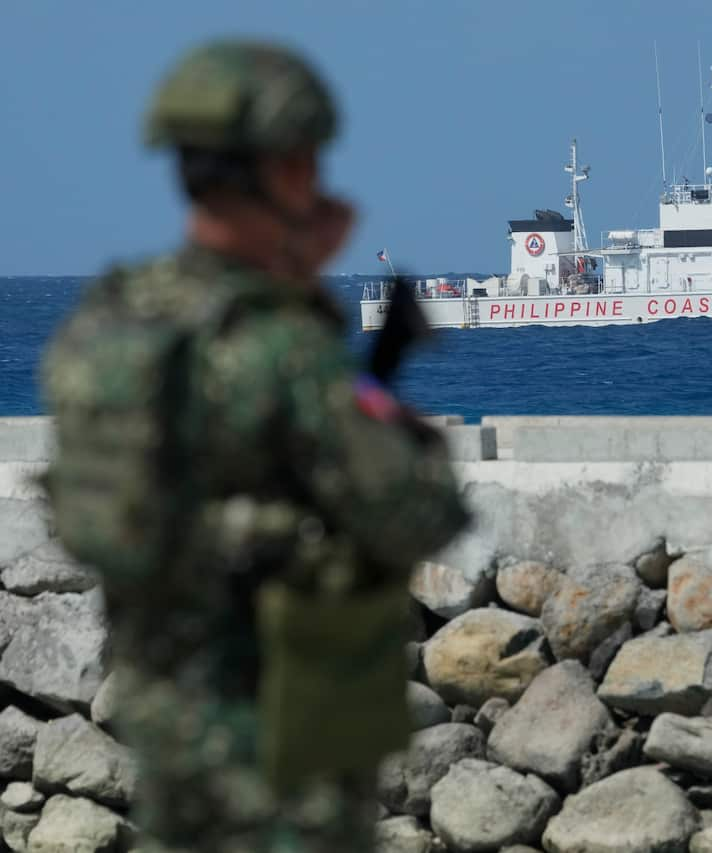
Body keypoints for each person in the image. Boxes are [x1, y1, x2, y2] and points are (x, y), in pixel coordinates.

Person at [41, 39, 468, 852]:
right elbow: (419, 511)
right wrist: (321, 316)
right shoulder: (277, 343)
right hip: (282, 730)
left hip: (167, 719)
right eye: (306, 159)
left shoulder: (105, 322)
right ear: (281, 169)